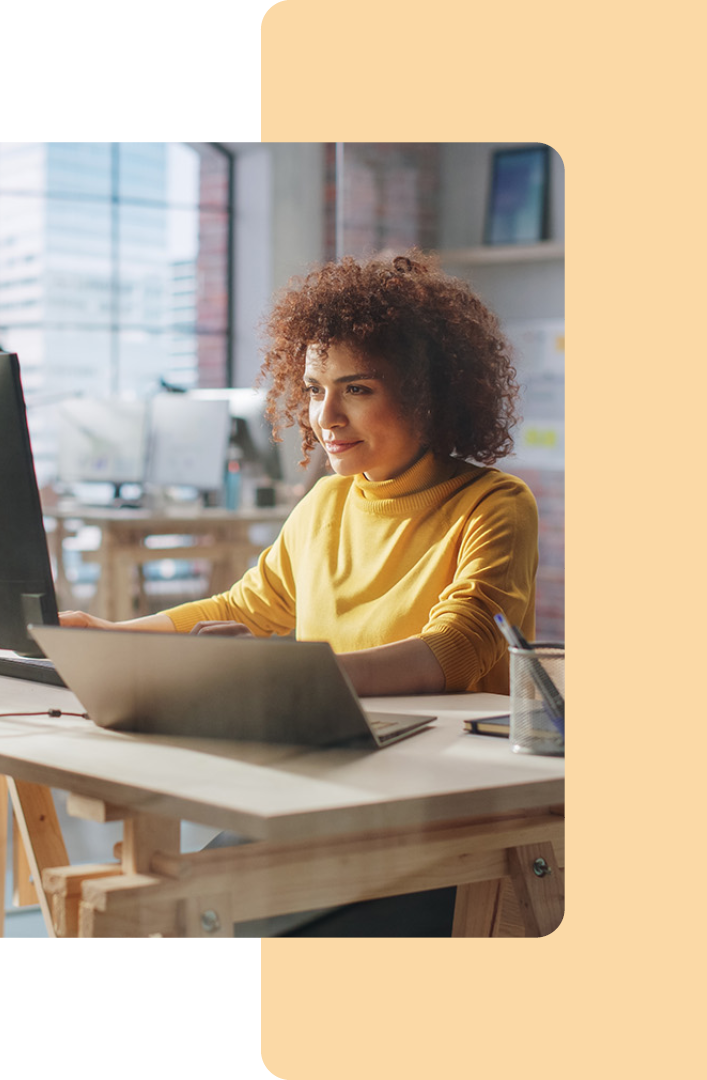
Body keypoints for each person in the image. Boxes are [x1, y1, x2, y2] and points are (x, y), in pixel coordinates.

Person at [60, 250, 539, 934]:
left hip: (443, 809)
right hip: (335, 789)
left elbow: (458, 648)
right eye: (314, 389)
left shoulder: (494, 504)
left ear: (429, 392)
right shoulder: (325, 504)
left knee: (202, 926)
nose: (326, 417)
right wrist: (110, 639)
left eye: (359, 389)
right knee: (181, 920)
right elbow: (244, 607)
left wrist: (294, 679)